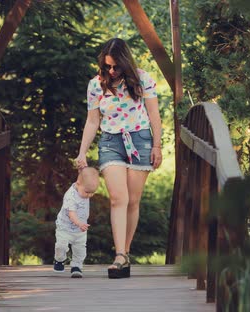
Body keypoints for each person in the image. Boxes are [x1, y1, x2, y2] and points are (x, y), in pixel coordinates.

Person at [75, 38, 163, 279]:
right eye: (108, 67)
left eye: (116, 67)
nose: (112, 71)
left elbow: (155, 116)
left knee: (133, 201)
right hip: (111, 142)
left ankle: (125, 254)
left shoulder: (143, 79)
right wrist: (82, 151)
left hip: (141, 140)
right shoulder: (96, 85)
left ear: (126, 63)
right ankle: (119, 255)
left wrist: (157, 146)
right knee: (118, 198)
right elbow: (93, 121)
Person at [53, 166, 100, 278]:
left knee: (80, 249)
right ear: (78, 183)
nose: (89, 195)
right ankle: (59, 259)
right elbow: (71, 214)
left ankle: (77, 266)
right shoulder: (70, 196)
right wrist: (79, 223)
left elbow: (87, 174)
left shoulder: (84, 187)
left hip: (80, 229)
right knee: (61, 246)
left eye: (92, 193)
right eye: (87, 192)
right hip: (65, 227)